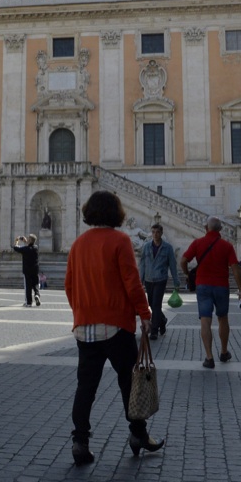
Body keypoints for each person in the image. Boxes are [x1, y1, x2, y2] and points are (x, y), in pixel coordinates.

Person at [66, 190, 163, 465]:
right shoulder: (119, 240)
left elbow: (69, 286)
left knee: (85, 387)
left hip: (84, 329)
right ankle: (138, 435)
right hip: (116, 327)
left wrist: (82, 312)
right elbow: (132, 282)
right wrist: (145, 314)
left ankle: (80, 442)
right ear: (116, 213)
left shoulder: (78, 244)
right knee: (128, 383)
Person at [180, 217, 241, 368]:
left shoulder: (197, 243)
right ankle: (223, 352)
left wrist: (187, 274)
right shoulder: (227, 246)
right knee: (223, 319)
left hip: (202, 286)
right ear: (220, 230)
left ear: (205, 227)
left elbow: (183, 261)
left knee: (205, 320)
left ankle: (209, 357)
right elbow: (236, 269)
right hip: (221, 286)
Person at [139, 223, 180, 340]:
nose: (155, 235)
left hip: (161, 279)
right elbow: (142, 264)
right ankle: (162, 321)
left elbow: (173, 265)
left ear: (161, 233)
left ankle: (154, 330)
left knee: (156, 304)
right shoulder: (146, 246)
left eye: (157, 232)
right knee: (152, 304)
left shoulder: (168, 248)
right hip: (148, 279)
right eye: (153, 232)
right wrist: (139, 280)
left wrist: (176, 281)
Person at [13, 234, 41, 307]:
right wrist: (27, 242)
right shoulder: (36, 248)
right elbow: (30, 246)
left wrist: (16, 241)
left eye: (28, 239)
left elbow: (16, 248)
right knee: (35, 284)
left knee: (28, 286)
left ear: (29, 240)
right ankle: (37, 295)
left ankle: (28, 302)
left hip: (27, 270)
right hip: (35, 269)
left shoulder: (25, 249)